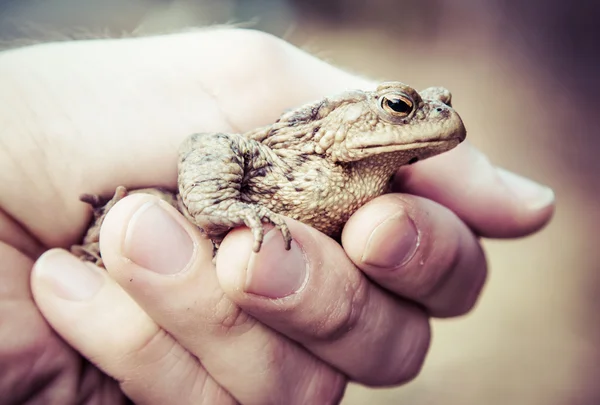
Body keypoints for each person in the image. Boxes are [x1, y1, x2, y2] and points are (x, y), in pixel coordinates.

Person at [0, 28, 554, 404]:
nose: (435, 116)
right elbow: (209, 144)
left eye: (435, 103)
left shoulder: (387, 191)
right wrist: (217, 204)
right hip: (101, 246)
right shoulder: (300, 151)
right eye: (402, 108)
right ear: (353, 118)